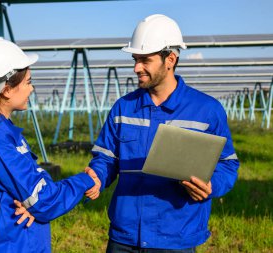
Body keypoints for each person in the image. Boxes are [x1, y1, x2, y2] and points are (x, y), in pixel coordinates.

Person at [87, 14, 240, 252]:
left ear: (170, 59)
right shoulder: (123, 107)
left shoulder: (206, 110)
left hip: (176, 238)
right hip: (124, 237)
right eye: (135, 59)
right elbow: (106, 158)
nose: (137, 67)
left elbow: (227, 164)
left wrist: (211, 185)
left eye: (145, 60)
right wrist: (97, 175)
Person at [0, 37, 100, 253]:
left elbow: (35, 189)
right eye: (28, 82)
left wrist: (31, 204)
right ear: (7, 89)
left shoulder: (1, 130)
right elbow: (44, 200)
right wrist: (84, 180)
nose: (32, 89)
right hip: (7, 245)